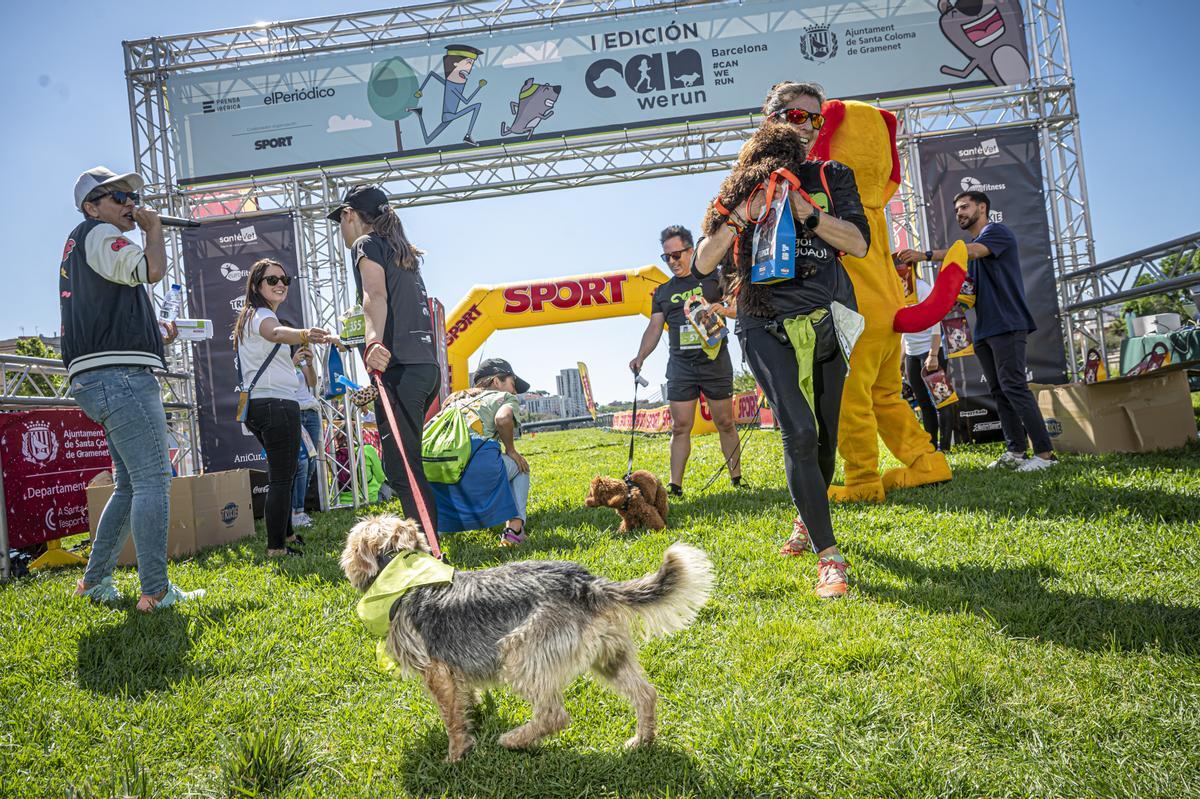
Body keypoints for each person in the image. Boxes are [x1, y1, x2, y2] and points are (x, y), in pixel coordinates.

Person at [694, 82, 869, 599]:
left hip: (828, 316)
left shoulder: (831, 176)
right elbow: (704, 262)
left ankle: (804, 518)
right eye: (795, 114)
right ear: (768, 118)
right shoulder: (736, 185)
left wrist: (807, 212)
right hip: (762, 320)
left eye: (815, 118)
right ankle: (829, 556)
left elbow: (857, 243)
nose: (806, 124)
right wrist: (742, 217)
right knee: (797, 431)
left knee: (826, 438)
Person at [62, 165, 203, 611]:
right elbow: (153, 269)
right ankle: (155, 591)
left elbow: (107, 307)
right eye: (118, 197)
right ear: (92, 206)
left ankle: (96, 580)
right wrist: (155, 230)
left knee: (128, 484)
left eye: (131, 198)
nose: (130, 205)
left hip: (101, 376)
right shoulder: (101, 234)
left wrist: (151, 330)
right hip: (120, 378)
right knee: (151, 482)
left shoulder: (84, 242)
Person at [897, 191, 1057, 471]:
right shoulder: (970, 247)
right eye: (957, 209)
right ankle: (1016, 451)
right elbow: (968, 288)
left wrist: (925, 255)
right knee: (999, 390)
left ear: (982, 207)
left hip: (1008, 322)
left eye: (964, 207)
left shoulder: (996, 233)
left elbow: (970, 252)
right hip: (984, 327)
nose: (959, 212)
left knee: (1014, 386)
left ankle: (1045, 454)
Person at [330, 185, 442, 536]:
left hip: (402, 369)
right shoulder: (399, 248)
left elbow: (374, 295)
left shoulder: (367, 244)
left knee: (402, 468)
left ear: (350, 215)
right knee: (406, 464)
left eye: (341, 220)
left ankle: (429, 551)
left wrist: (373, 341)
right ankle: (429, 542)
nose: (341, 229)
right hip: (423, 366)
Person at [629, 225, 741, 498]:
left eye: (677, 255)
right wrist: (640, 356)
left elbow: (739, 309)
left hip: (715, 361)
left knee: (725, 422)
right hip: (681, 367)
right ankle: (675, 486)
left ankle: (737, 479)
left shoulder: (715, 279)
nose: (672, 261)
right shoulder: (663, 292)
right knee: (680, 427)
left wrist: (723, 309)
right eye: (666, 257)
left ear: (692, 250)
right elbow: (654, 328)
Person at [233, 258, 335, 557]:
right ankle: (276, 547)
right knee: (281, 477)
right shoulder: (261, 315)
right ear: (256, 285)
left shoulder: (252, 315)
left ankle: (286, 536)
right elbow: (275, 334)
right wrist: (305, 334)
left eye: (284, 280)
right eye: (272, 280)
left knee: (285, 473)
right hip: (275, 405)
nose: (280, 284)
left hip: (262, 404)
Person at [443, 358, 533, 546]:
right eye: (512, 383)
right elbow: (502, 419)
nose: (514, 391)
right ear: (496, 381)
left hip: (441, 474)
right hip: (476, 470)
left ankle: (436, 534)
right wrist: (511, 450)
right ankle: (514, 531)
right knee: (521, 467)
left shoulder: (454, 399)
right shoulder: (504, 398)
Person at [896, 260, 952, 452]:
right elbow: (905, 329)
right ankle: (931, 446)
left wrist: (933, 354)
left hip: (931, 351)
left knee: (942, 400)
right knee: (923, 403)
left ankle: (945, 448)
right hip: (912, 354)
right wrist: (902, 359)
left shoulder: (923, 287)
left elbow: (936, 321)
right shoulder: (898, 292)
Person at [290, 345, 322, 528]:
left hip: (310, 412)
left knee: (310, 462)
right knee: (301, 462)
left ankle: (297, 510)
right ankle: (297, 511)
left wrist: (308, 364)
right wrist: (292, 362)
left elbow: (312, 382)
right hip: (293, 412)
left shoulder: (299, 361)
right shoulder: (279, 360)